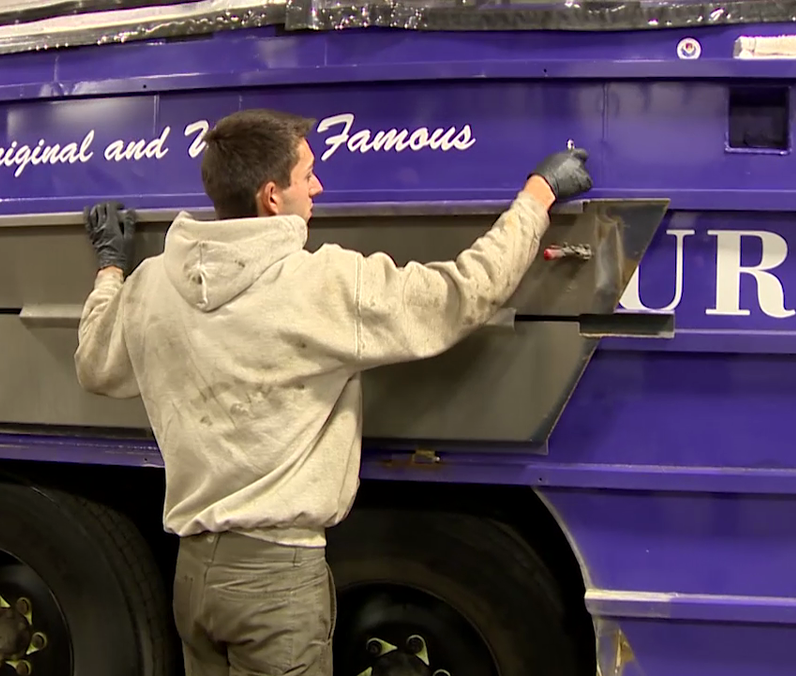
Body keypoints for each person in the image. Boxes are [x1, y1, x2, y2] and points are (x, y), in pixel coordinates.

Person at [74, 108, 593, 675]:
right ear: (272, 197)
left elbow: (95, 365)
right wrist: (537, 197)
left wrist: (111, 269)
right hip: (275, 583)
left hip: (195, 577)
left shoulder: (152, 284)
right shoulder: (319, 284)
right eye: (307, 174)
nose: (318, 186)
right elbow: (460, 295)